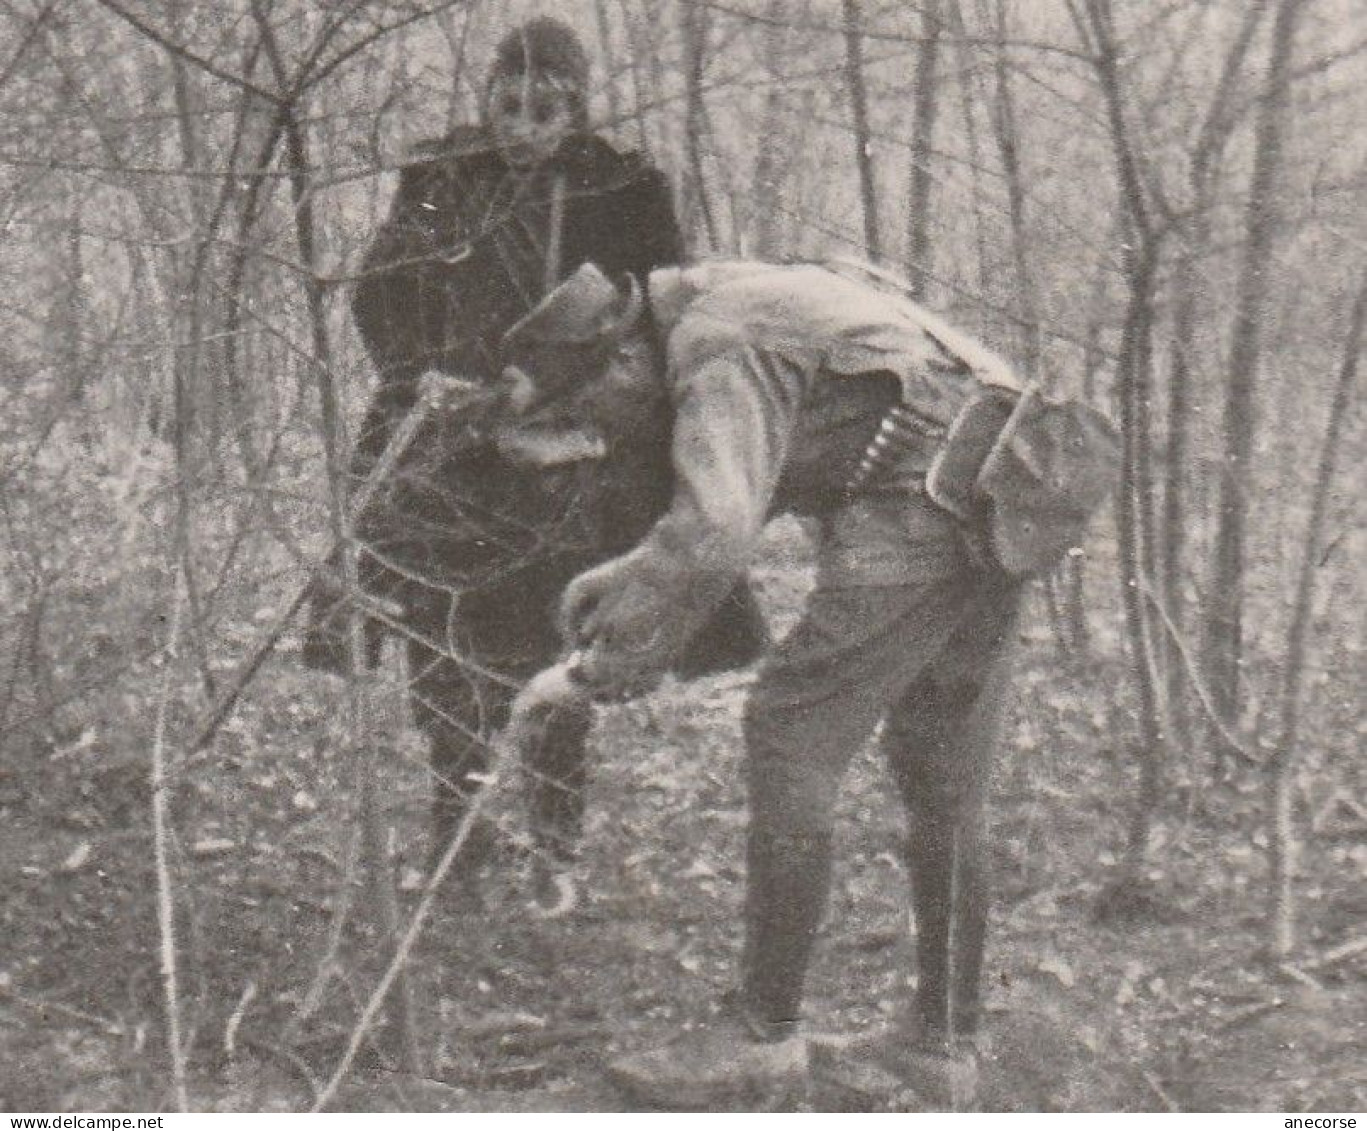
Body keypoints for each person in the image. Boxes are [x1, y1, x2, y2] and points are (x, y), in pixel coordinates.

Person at [494, 259, 1119, 1107]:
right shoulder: (743, 299)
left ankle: (761, 1034)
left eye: (586, 411)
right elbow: (753, 490)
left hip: (921, 507)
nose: (596, 432)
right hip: (1000, 493)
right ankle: (941, 1042)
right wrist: (632, 577)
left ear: (623, 362)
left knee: (790, 733)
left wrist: (591, 672)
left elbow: (716, 530)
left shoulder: (717, 342)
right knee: (942, 779)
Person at [302, 17, 766, 875]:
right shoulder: (443, 177)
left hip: (575, 449)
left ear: (576, 109)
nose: (521, 127)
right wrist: (427, 373)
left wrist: (565, 383)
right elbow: (380, 295)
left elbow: (658, 317)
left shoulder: (623, 190)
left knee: (561, 636)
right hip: (452, 442)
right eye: (506, 105)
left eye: (543, 109)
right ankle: (458, 830)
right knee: (439, 635)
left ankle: (555, 834)